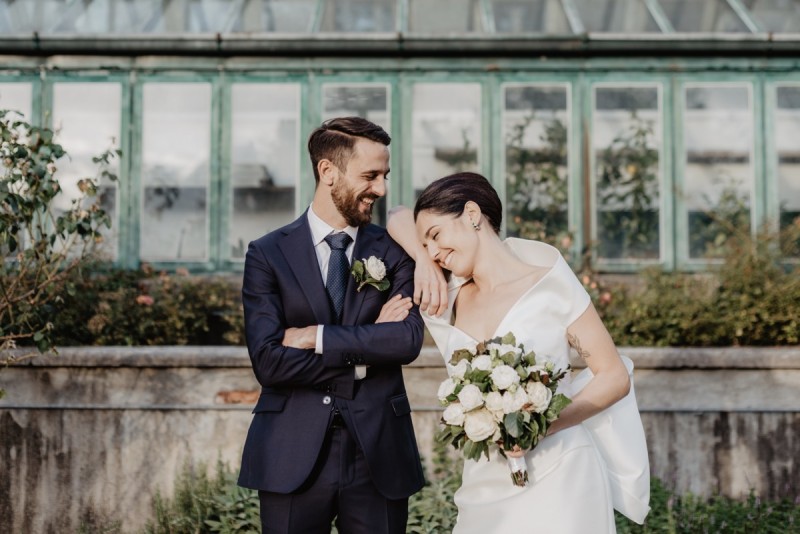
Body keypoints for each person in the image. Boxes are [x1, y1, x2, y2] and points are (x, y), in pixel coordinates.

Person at [387, 172, 650, 533]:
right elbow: (395, 213)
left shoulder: (549, 286)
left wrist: (542, 428)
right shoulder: (444, 297)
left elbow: (614, 376)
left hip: (562, 476)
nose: (435, 252)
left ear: (472, 214)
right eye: (427, 246)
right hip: (484, 484)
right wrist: (419, 256)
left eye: (436, 236)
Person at [238, 116, 425, 534]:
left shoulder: (395, 250)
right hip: (292, 449)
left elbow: (406, 340)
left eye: (384, 175)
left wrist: (315, 338)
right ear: (328, 171)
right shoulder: (267, 254)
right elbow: (269, 361)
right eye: (370, 176)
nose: (381, 188)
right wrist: (363, 357)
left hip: (379, 451)